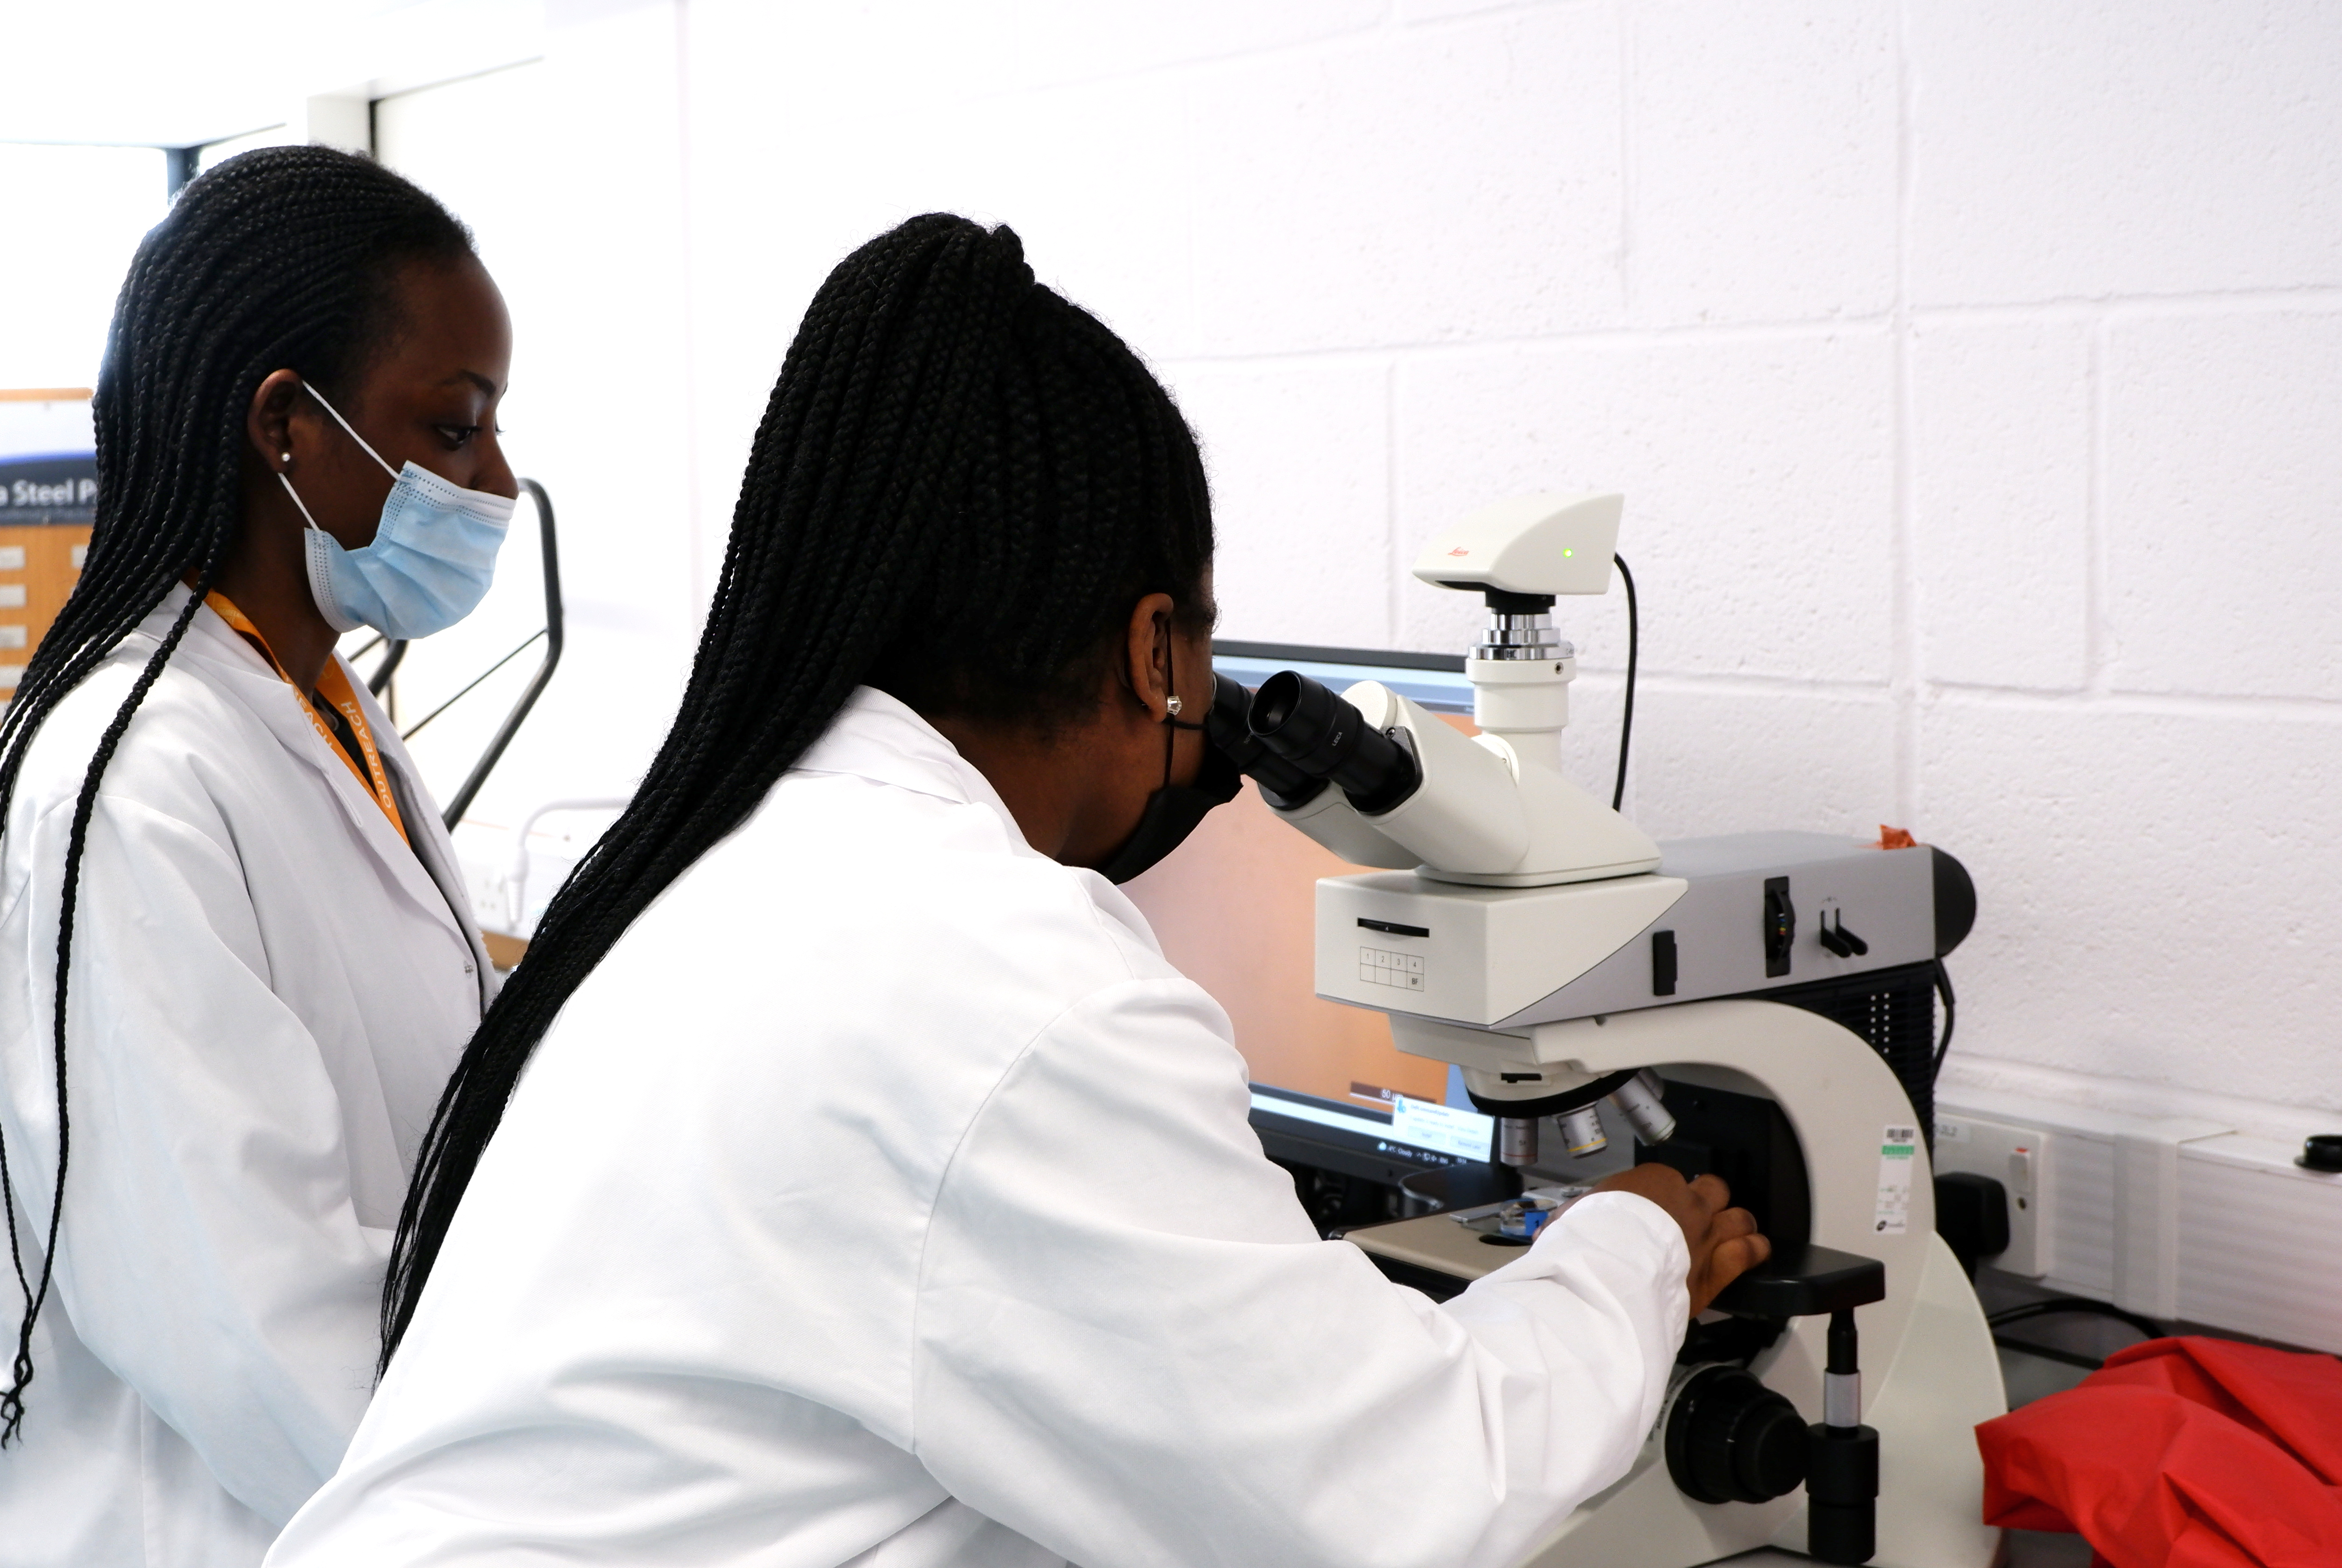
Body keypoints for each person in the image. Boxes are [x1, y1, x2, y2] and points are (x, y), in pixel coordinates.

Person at [267, 215, 1768, 1568]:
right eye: (1205, 646)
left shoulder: (726, 860)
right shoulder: (1002, 980)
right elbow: (1401, 1495)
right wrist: (1628, 1243)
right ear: (1151, 650)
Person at [0, 146, 519, 1568]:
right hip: (176, 1525)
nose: (495, 479)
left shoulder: (317, 708)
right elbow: (260, 1331)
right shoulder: (123, 784)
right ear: (288, 429)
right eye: (454, 427)